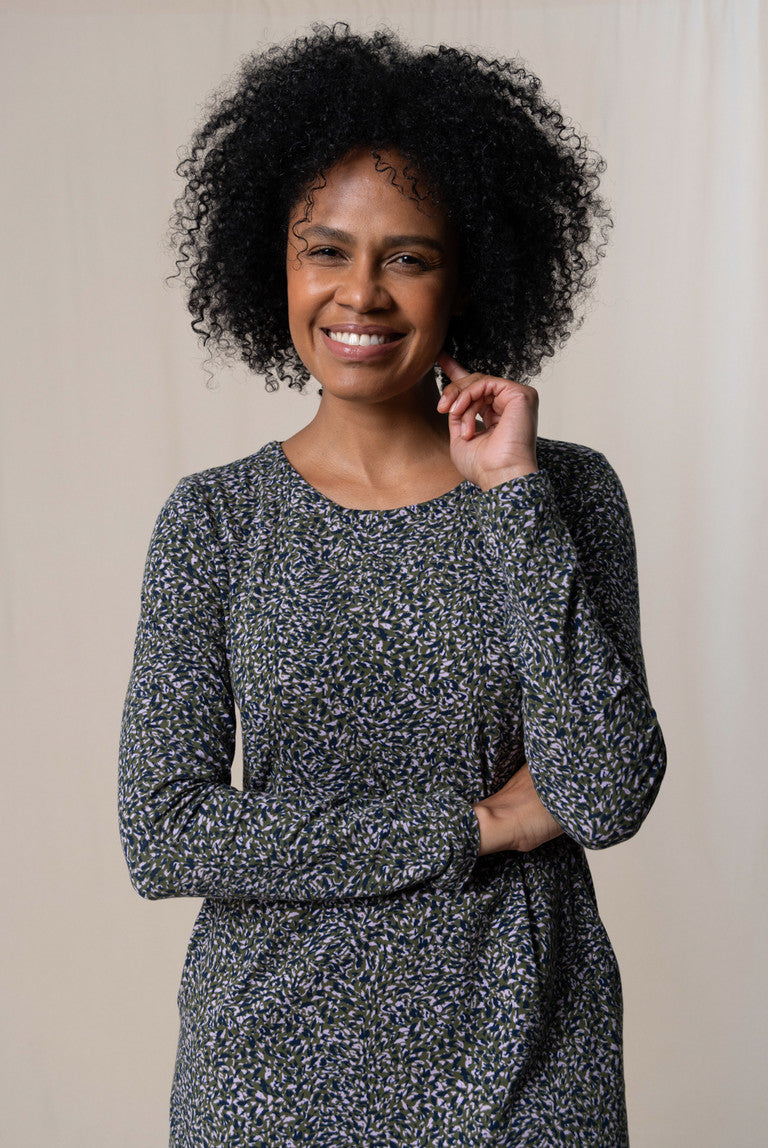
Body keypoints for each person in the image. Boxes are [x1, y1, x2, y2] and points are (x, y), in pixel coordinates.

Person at [118, 23, 666, 1147]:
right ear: (275, 265)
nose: (360, 293)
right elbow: (165, 832)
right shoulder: (214, 522)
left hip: (525, 1062)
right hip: (270, 1073)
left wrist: (510, 492)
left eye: (408, 257)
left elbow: (607, 792)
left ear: (469, 275)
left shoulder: (562, 492)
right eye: (327, 250)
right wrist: (474, 826)